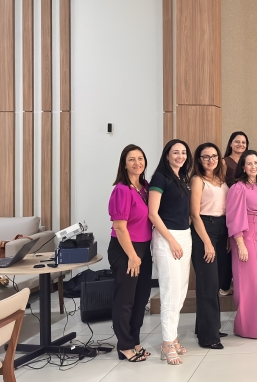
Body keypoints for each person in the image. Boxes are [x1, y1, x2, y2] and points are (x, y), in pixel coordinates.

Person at [148, 139, 192, 365]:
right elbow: (153, 213)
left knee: (181, 291)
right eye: (175, 152)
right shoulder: (160, 178)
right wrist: (172, 241)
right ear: (167, 155)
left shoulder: (182, 178)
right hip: (167, 238)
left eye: (183, 152)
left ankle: (172, 337)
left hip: (184, 235)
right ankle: (166, 342)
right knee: (169, 291)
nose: (180, 156)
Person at [108, 144, 152, 362]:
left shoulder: (144, 187)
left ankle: (134, 341)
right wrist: (133, 256)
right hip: (126, 249)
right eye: (132, 159)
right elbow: (119, 227)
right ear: (124, 164)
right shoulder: (122, 189)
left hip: (144, 248)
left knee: (141, 298)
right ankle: (124, 345)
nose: (137, 163)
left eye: (140, 158)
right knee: (125, 300)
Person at [226, 150, 257, 339]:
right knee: (248, 281)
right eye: (249, 163)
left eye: (256, 163)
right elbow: (233, 216)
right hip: (246, 235)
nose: (253, 166)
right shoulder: (238, 187)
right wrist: (240, 242)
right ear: (243, 167)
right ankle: (246, 327)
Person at [189, 143, 228, 350]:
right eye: (206, 157)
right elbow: (194, 214)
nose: (210, 160)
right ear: (199, 159)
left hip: (221, 229)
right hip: (205, 230)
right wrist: (206, 242)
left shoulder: (221, 179)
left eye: (214, 156)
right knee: (208, 285)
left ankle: (207, 327)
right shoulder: (197, 180)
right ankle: (208, 337)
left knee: (215, 283)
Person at [221, 132, 248, 296]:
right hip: (231, 206)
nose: (240, 145)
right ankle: (225, 284)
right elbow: (221, 183)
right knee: (229, 246)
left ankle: (239, 282)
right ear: (230, 143)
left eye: (243, 142)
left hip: (247, 208)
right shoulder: (224, 162)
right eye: (237, 141)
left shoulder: (247, 161)